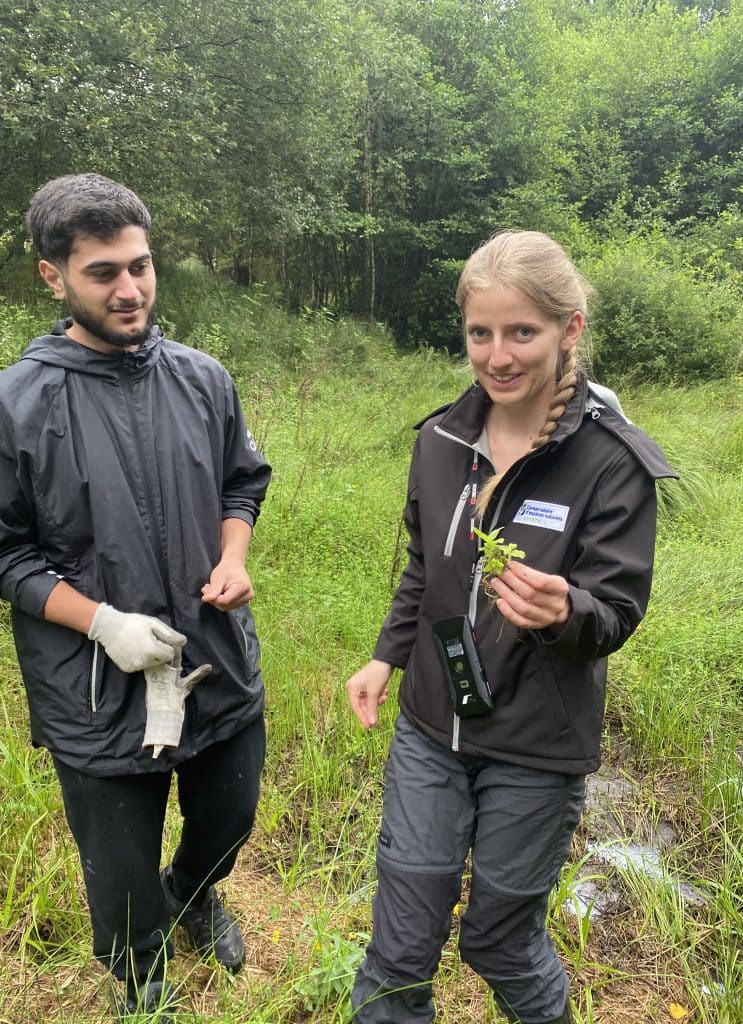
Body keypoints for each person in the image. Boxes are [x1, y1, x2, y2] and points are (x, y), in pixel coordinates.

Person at [346, 230, 676, 1024]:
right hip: (431, 725)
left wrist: (567, 609)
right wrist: (387, 657)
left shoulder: (610, 461)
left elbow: (618, 608)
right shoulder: (442, 439)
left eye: (521, 331)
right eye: (480, 333)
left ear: (570, 330)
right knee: (400, 943)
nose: (498, 355)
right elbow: (424, 567)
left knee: (498, 941)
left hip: (536, 743)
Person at [0, 174, 272, 1019]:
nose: (130, 289)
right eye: (103, 273)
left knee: (230, 815)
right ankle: (141, 968)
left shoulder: (202, 378)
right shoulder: (17, 403)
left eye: (141, 266)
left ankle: (193, 894)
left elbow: (242, 482)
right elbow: (5, 552)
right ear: (54, 277)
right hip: (93, 686)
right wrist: (102, 622)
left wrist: (234, 554)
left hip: (215, 657)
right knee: (118, 870)